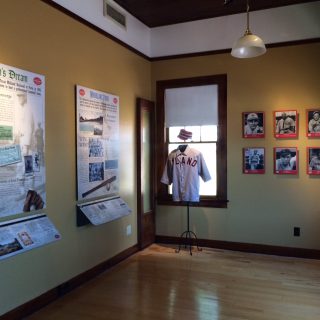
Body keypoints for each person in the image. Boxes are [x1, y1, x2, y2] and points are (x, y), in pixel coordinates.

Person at [161, 129, 211, 202]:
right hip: (177, 195)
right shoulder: (172, 155)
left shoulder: (197, 154)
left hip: (192, 194)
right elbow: (166, 178)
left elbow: (206, 176)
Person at [14, 91, 34, 155]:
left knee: (25, 157)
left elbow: (29, 126)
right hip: (22, 139)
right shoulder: (22, 109)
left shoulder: (27, 109)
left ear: (25, 98)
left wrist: (26, 143)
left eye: (21, 96)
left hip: (25, 140)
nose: (19, 98)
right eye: (18, 97)